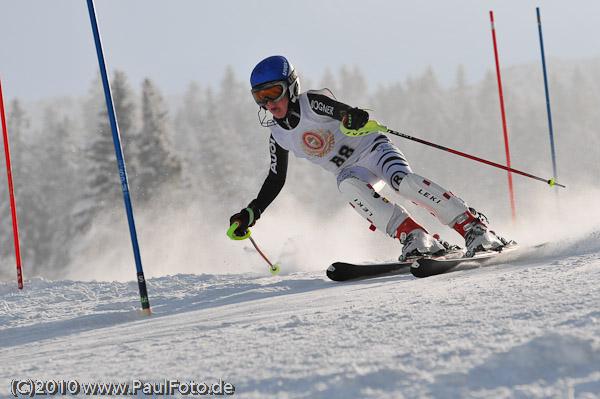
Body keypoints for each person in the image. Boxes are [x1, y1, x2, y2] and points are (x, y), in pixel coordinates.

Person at [228, 55, 509, 260]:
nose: (269, 103)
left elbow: (341, 110)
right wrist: (252, 212)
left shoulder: (311, 103)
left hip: (373, 150)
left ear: (290, 86)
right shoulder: (278, 134)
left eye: (274, 92)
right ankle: (415, 237)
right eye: (260, 97)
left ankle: (474, 228)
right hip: (352, 171)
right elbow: (276, 179)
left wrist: (351, 116)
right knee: (348, 187)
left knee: (403, 182)